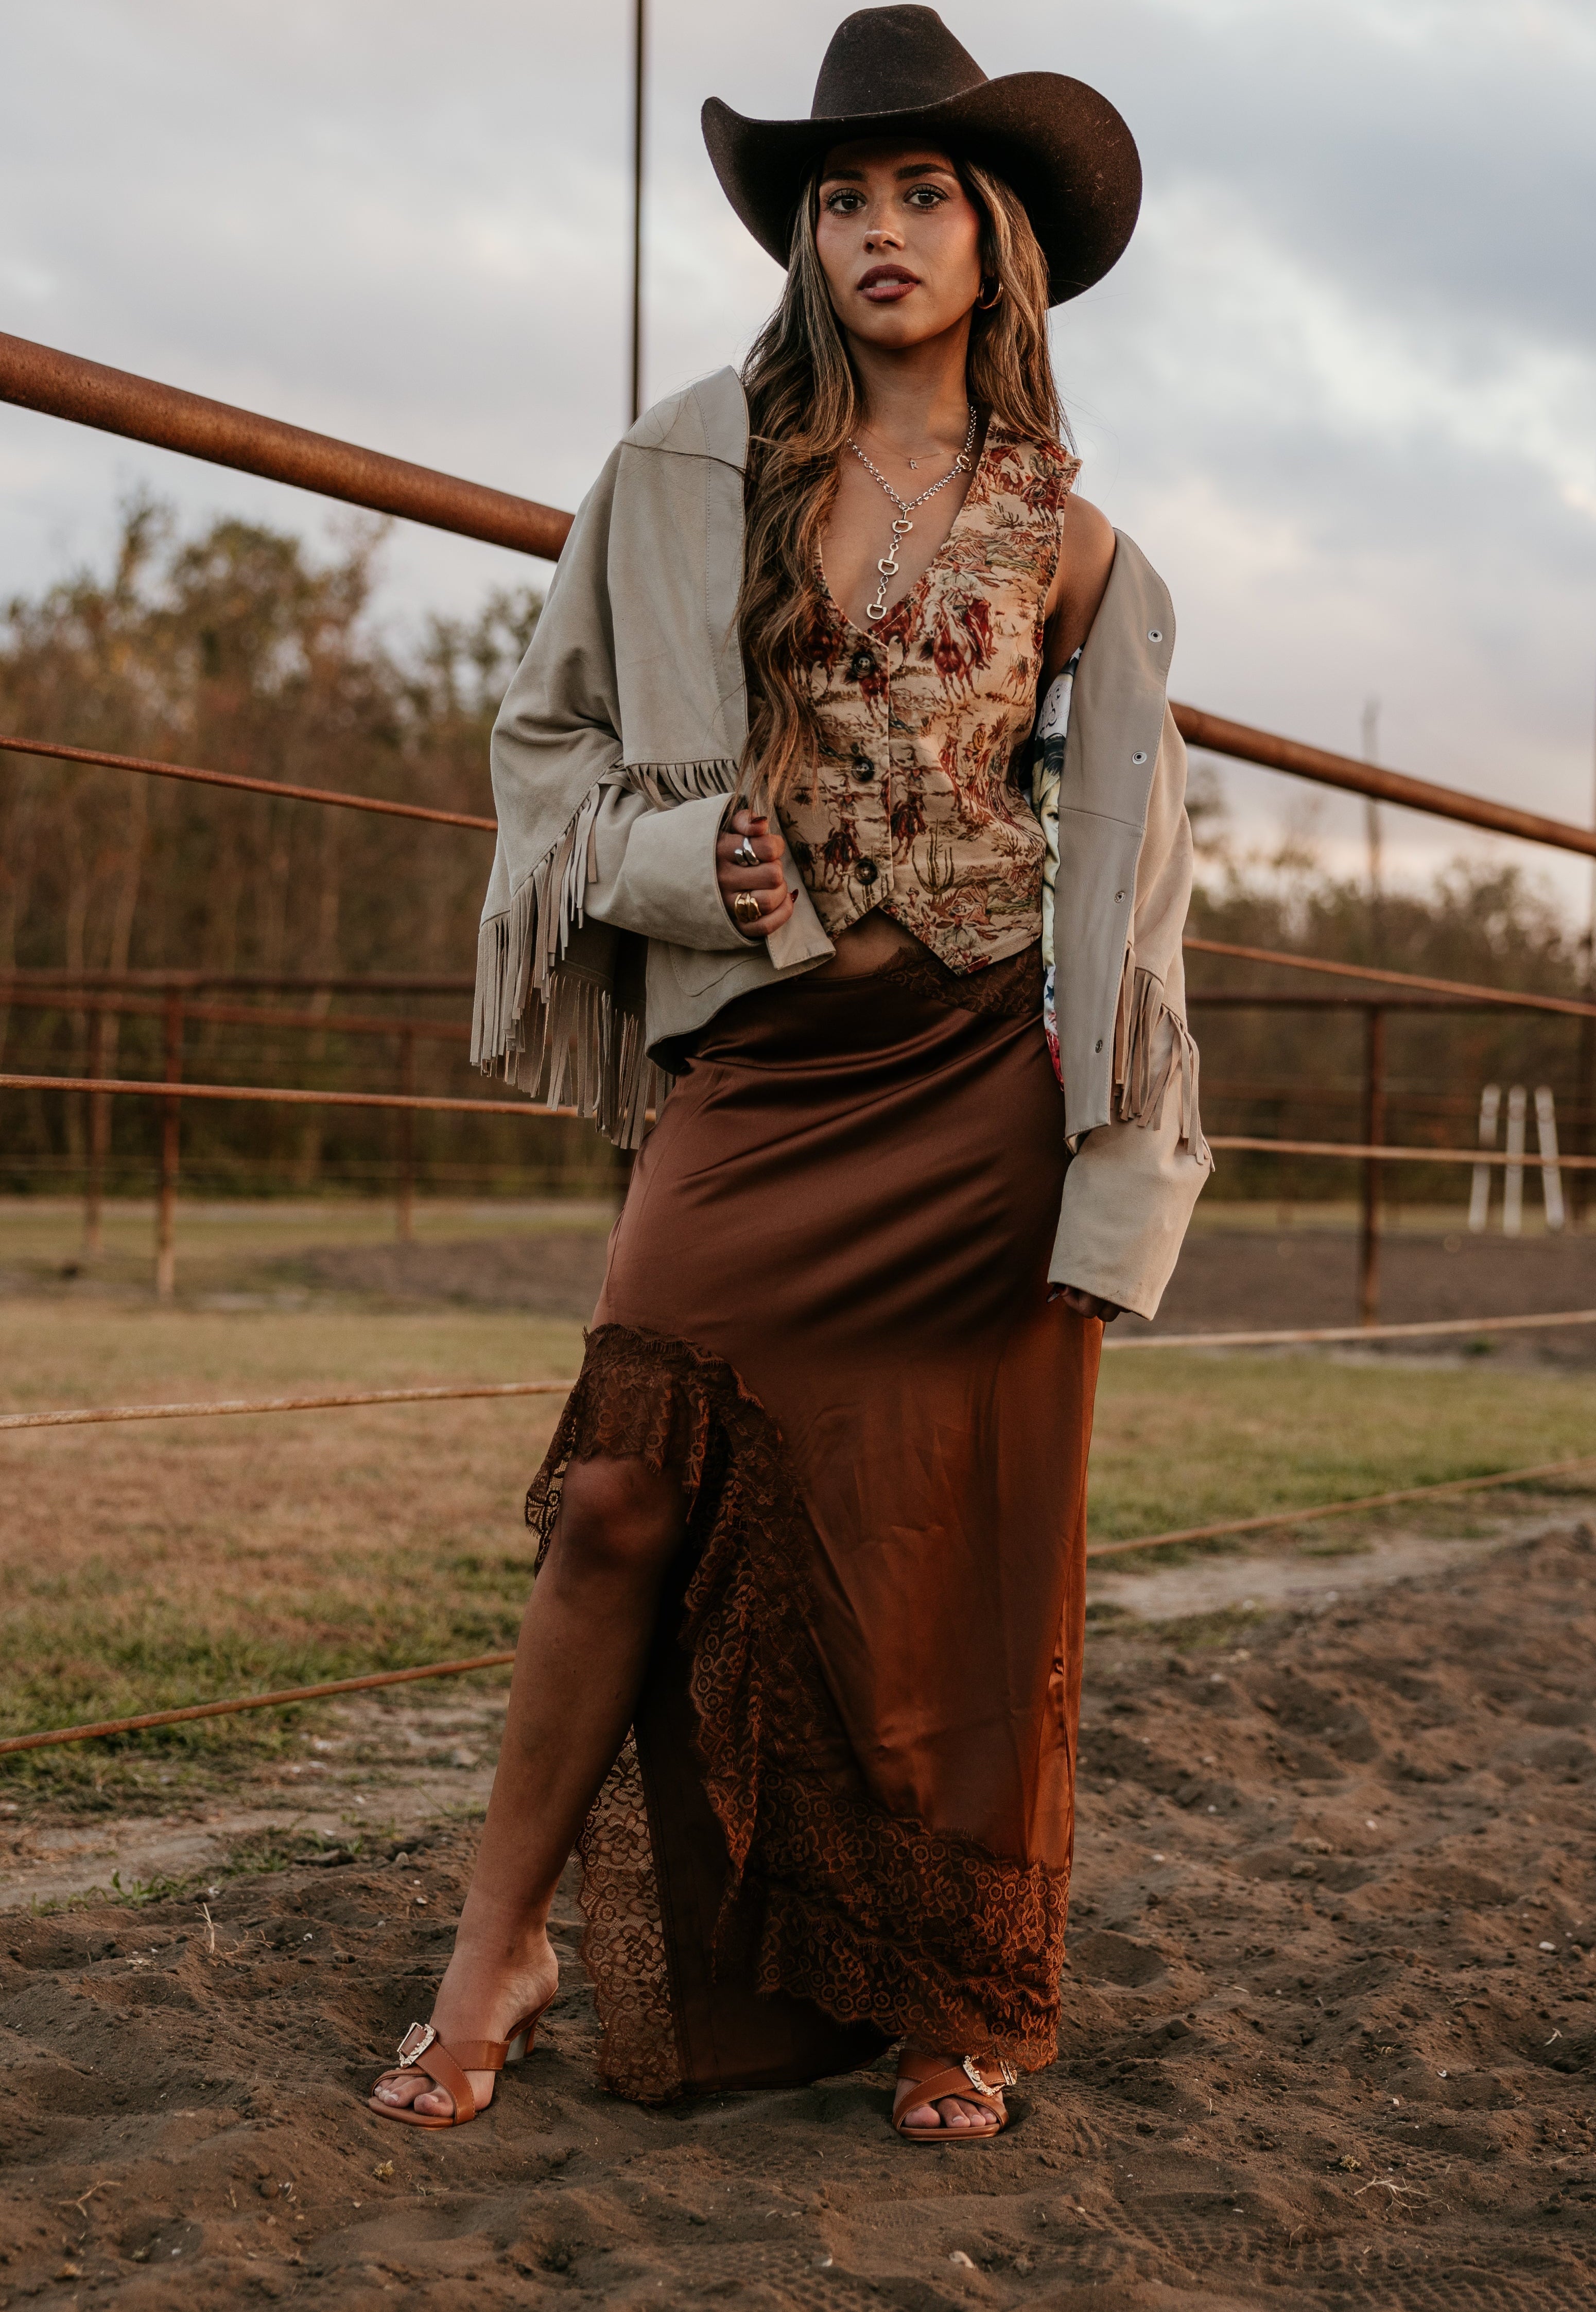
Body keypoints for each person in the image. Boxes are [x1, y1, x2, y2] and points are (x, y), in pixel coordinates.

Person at [368, 2, 1209, 2144]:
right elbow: (538, 751)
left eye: (924, 192)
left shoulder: (1086, 552)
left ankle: (946, 1987)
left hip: (978, 1083)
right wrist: (672, 857)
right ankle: (503, 1940)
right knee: (620, 1491)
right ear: (806, 240)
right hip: (763, 1066)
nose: (880, 231)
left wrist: (1116, 1183)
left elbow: (1133, 908)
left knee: (960, 1544)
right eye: (844, 198)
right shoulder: (677, 468)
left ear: (998, 240)